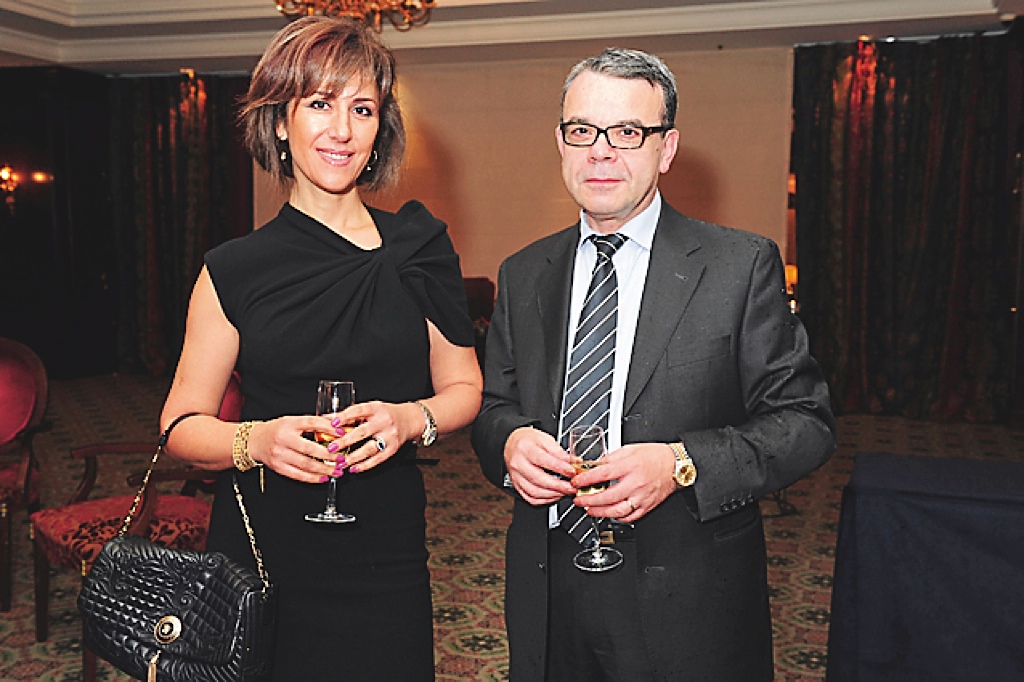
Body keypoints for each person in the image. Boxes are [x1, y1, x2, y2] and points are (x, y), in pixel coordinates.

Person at [471, 47, 835, 681]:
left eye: (627, 132)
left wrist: (680, 463)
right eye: (582, 131)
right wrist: (508, 444)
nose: (601, 152)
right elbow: (494, 407)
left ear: (666, 149)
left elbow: (806, 423)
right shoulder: (525, 272)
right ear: (560, 143)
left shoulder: (739, 266)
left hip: (688, 592)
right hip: (550, 584)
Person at [160, 16, 482, 681]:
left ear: (380, 128)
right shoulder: (233, 270)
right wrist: (257, 439)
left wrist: (410, 419)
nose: (342, 129)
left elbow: (465, 388)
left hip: (386, 548)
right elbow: (179, 427)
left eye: (362, 109)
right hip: (265, 550)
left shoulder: (418, 249)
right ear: (280, 122)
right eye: (319, 104)